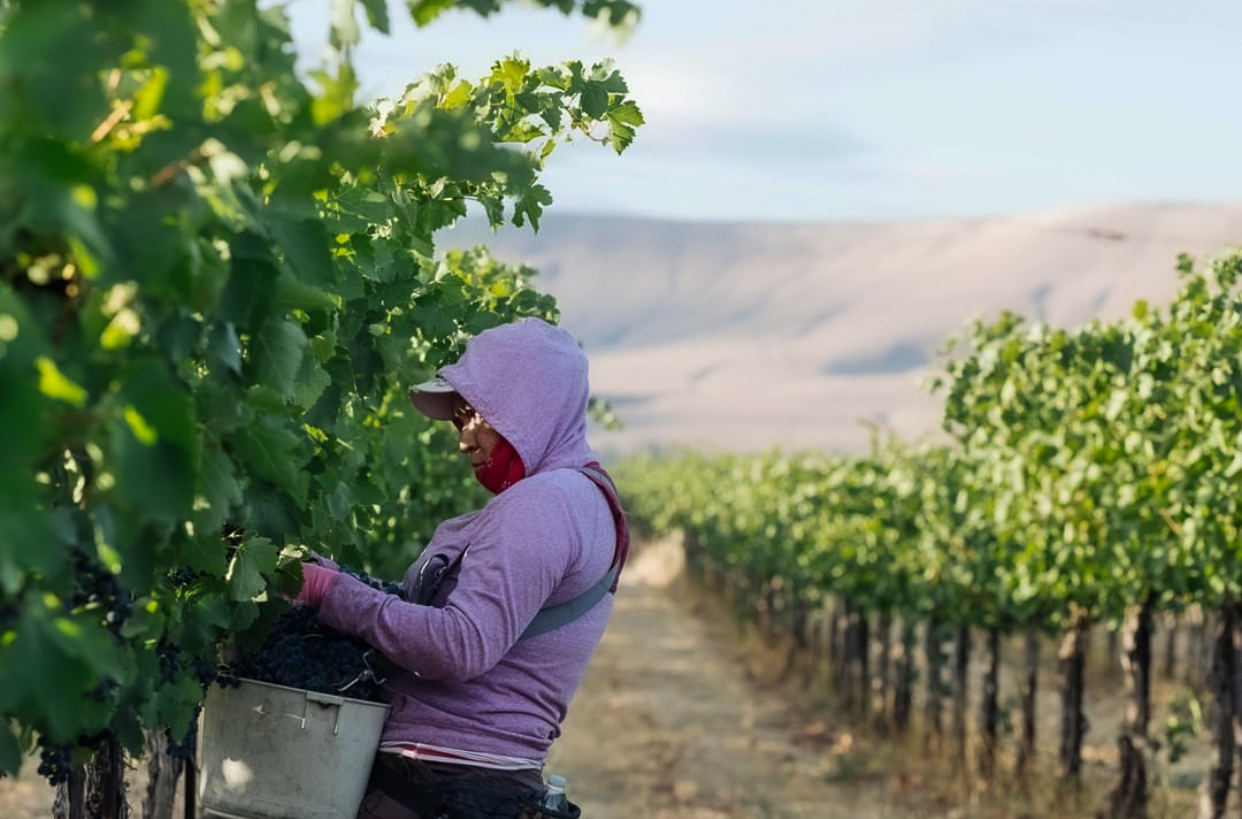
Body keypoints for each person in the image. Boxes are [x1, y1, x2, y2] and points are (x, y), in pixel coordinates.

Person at [294, 318, 630, 819]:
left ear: (527, 404)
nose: (464, 440)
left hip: (437, 784)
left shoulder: (542, 504)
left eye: (474, 414)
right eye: (457, 420)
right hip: (482, 783)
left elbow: (461, 645)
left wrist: (333, 594)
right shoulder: (587, 501)